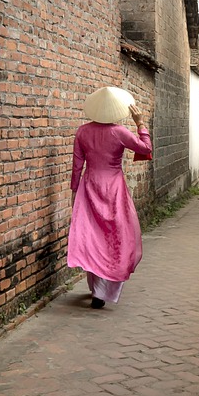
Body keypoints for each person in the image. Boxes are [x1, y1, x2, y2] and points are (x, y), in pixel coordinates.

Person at [67, 88, 152, 309]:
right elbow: (145, 148)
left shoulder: (82, 131)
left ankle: (97, 288)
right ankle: (104, 289)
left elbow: (77, 165)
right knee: (114, 235)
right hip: (113, 188)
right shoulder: (120, 132)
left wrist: (75, 190)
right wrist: (140, 123)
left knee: (92, 235)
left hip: (90, 185)